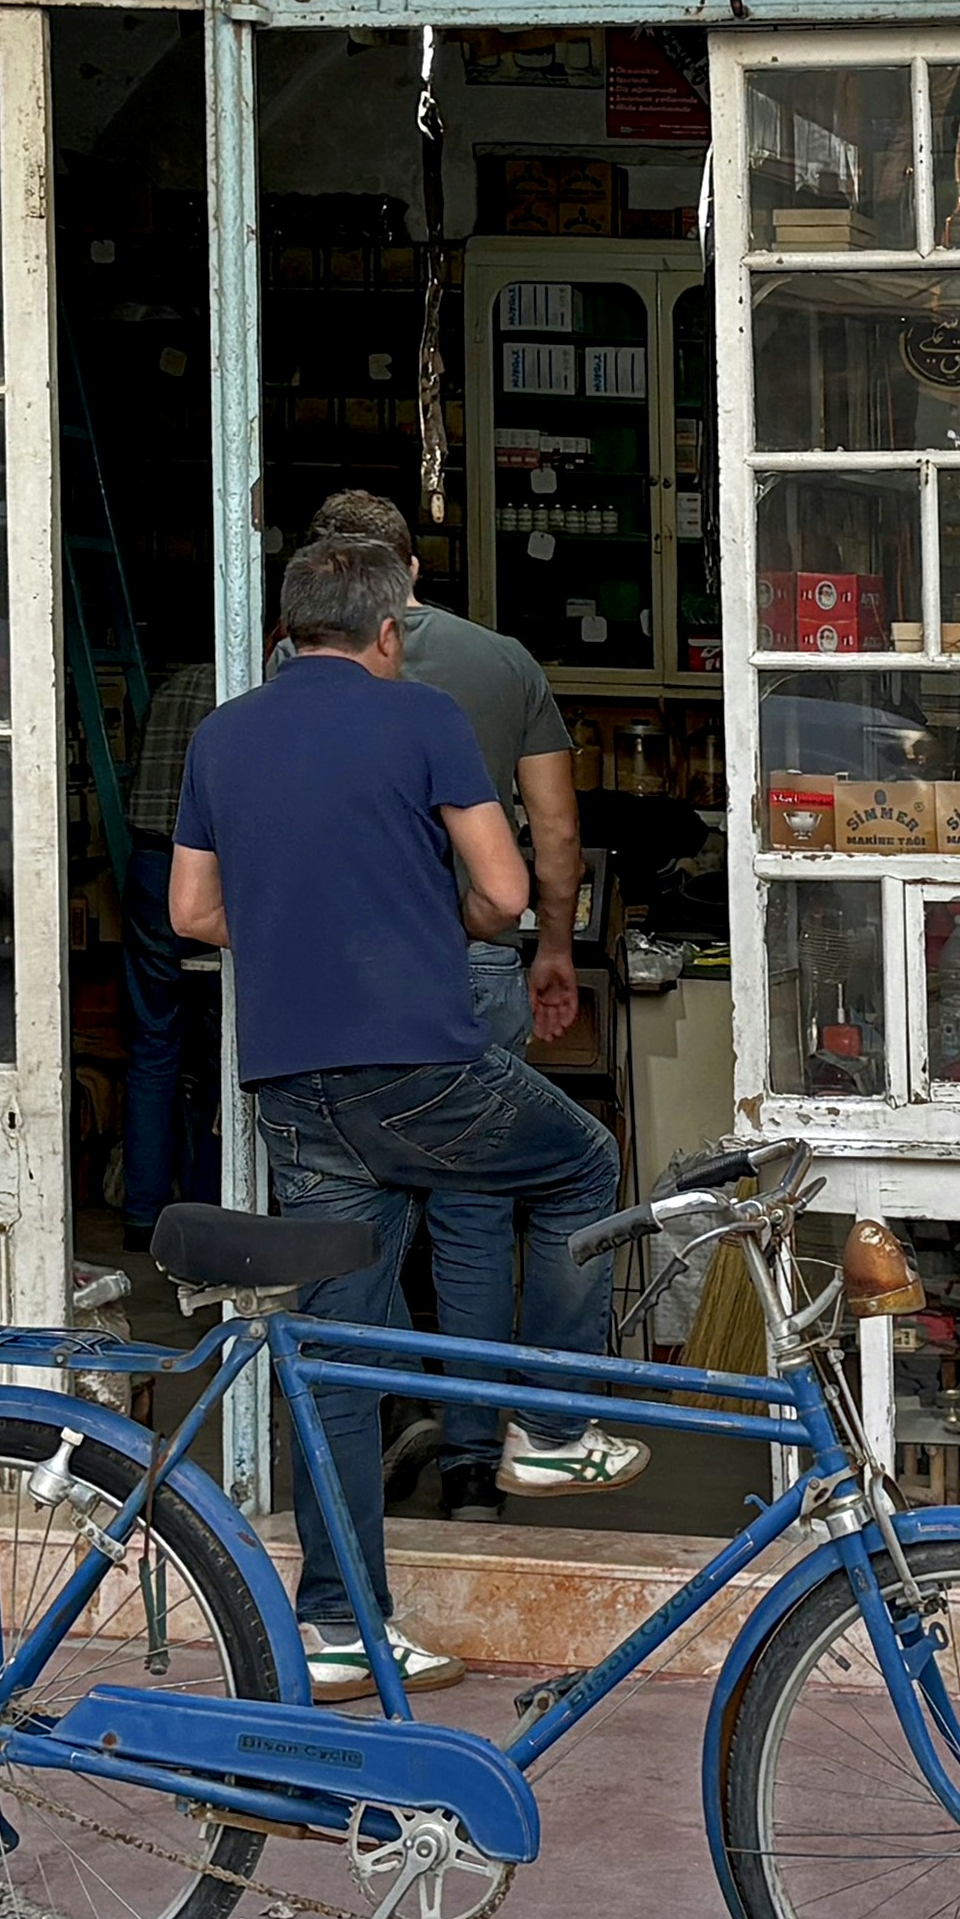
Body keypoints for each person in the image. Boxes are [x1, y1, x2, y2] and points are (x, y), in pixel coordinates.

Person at [171, 535, 644, 1698]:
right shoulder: (422, 716)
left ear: (285, 633)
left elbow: (192, 910)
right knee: (581, 1165)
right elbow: (506, 887)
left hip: (294, 1085)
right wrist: (456, 932)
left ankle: (337, 1623)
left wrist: (288, 937)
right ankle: (548, 1425)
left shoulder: (222, 735)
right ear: (389, 632)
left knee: (340, 1348)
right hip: (420, 1062)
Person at [297, 490, 585, 1522]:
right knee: (475, 1215)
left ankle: (364, 1447)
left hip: (334, 980)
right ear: (412, 573)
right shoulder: (502, 662)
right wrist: (551, 947)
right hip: (473, 967)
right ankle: (474, 1462)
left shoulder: (289, 675)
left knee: (351, 1224)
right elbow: (552, 830)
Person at [116, 655, 221, 1242]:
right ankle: (209, 1212)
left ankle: (143, 1212)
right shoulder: (246, 689)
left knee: (153, 1044)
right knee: (217, 1048)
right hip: (211, 870)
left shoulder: (172, 682)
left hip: (151, 866)